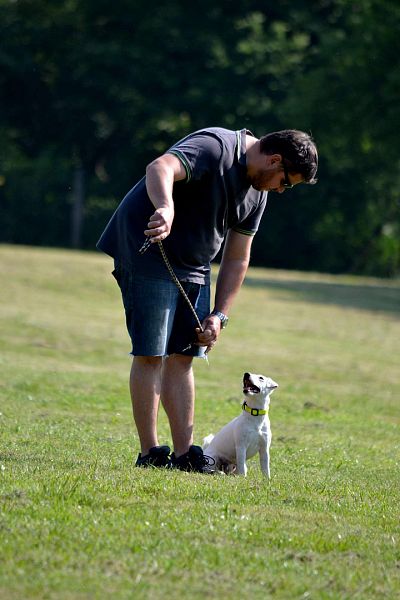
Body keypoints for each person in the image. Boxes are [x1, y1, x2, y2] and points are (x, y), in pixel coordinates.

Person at [97, 127, 318, 473]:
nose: (281, 190)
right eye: (285, 182)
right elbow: (160, 167)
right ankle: (150, 452)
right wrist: (166, 208)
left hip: (194, 265)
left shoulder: (258, 194)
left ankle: (185, 454)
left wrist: (219, 315)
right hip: (148, 251)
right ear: (275, 160)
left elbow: (237, 257)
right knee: (151, 353)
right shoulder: (215, 147)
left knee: (185, 355)